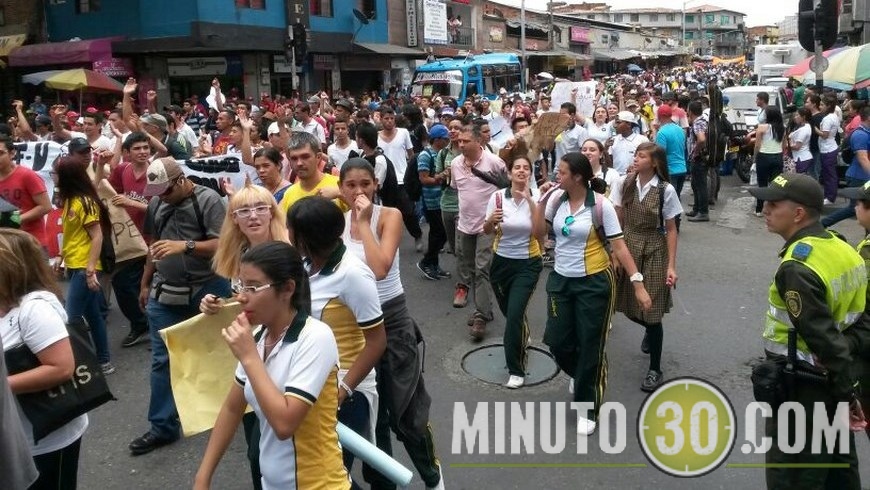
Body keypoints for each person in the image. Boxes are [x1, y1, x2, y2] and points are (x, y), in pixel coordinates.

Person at [194, 241, 351, 490]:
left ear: (287, 288)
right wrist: (203, 478)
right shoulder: (258, 337)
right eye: (240, 285)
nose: (242, 297)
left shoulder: (316, 337)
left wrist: (248, 357)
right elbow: (232, 409)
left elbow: (284, 424)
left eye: (254, 287)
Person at [747, 173, 868, 489]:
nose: (766, 209)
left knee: (794, 476)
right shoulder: (843, 248)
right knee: (839, 473)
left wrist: (848, 395)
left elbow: (823, 340)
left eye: (773, 204)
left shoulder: (798, 267)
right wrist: (846, 393)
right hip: (831, 384)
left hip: (803, 391)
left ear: (798, 213)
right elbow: (862, 323)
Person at [337, 159, 445, 490]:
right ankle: (384, 482)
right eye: (350, 185)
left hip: (391, 320)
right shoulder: (335, 222)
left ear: (376, 186)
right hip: (353, 325)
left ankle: (432, 475)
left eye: (365, 184)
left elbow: (380, 267)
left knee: (406, 412)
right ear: (341, 188)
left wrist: (365, 221)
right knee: (372, 413)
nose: (358, 192)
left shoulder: (390, 216)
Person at [534, 152, 651, 436]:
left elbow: (620, 247)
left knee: (591, 345)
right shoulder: (555, 201)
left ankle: (589, 406)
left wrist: (638, 283)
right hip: (561, 281)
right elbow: (538, 235)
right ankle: (581, 374)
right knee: (558, 341)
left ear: (577, 177)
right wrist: (539, 201)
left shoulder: (601, 206)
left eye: (561, 173)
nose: (555, 177)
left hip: (595, 283)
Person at [130, 157, 231, 456]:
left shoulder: (209, 200)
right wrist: (146, 282)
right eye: (157, 192)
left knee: (222, 351)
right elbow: (154, 245)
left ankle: (233, 410)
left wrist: (184, 245)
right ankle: (162, 426)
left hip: (208, 287)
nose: (161, 196)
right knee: (163, 359)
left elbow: (223, 244)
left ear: (181, 181)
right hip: (167, 291)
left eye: (166, 190)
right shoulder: (157, 205)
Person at [285, 196, 386, 479]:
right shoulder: (303, 266)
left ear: (304, 238)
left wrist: (343, 390)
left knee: (332, 473)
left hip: (345, 392)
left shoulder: (353, 274)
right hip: (308, 386)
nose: (286, 233)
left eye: (290, 228)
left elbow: (377, 341)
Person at [201, 184, 289, 490]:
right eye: (243, 211)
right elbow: (239, 302)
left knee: (274, 447)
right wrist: (213, 305)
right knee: (258, 451)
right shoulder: (235, 256)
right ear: (233, 219)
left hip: (286, 355)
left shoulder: (290, 251)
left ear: (272, 211)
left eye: (260, 208)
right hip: (250, 359)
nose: (253, 216)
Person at [0, 228, 87, 490]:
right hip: (17, 434)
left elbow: (61, 368)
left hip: (47, 436)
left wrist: (3, 385)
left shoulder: (35, 309)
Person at [609, 142, 682, 391]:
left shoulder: (665, 190)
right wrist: (615, 252)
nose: (636, 159)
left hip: (654, 248)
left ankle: (655, 369)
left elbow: (671, 229)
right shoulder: (624, 182)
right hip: (628, 244)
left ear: (654, 162)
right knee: (626, 305)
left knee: (651, 311)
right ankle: (650, 331)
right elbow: (617, 216)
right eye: (635, 155)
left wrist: (672, 266)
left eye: (642, 156)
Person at [482, 154, 542, 388]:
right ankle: (520, 333)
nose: (521, 171)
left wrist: (530, 202)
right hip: (500, 263)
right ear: (509, 173)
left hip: (528, 264)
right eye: (516, 167)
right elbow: (486, 231)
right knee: (510, 313)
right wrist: (489, 221)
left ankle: (516, 369)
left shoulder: (537, 197)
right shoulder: (497, 197)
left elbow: (540, 234)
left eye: (526, 168)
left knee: (514, 315)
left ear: (530, 173)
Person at [53, 156, 114, 374]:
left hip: (84, 268)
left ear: (67, 177)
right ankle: (103, 361)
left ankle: (78, 365)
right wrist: (61, 256)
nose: (54, 178)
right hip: (74, 264)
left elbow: (96, 236)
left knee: (71, 318)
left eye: (56, 174)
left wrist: (89, 271)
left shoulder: (84, 202)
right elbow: (71, 235)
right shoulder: (71, 199)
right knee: (93, 316)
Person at [451, 124, 506, 340]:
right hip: (465, 225)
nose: (461, 144)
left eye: (466, 141)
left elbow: (507, 189)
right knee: (470, 268)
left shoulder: (494, 162)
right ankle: (485, 308)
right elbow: (458, 191)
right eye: (459, 141)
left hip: (488, 225)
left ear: (478, 141)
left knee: (482, 267)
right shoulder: (456, 164)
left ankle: (481, 316)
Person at [378, 106, 424, 252]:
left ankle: (417, 235)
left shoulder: (403, 133)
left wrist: (413, 175)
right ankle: (389, 241)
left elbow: (411, 154)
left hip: (402, 179)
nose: (390, 121)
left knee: (408, 212)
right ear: (381, 119)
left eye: (392, 118)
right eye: (386, 118)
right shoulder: (376, 136)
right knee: (387, 212)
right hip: (385, 181)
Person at [0, 136, 51, 249]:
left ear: (12, 153)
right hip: (5, 246)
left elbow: (46, 206)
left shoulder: (27, 175)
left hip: (31, 243)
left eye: (1, 153)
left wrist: (15, 219)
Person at [824, 106, 870, 228]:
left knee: (864, 209)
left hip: (862, 176)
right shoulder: (861, 135)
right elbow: (863, 158)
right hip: (859, 177)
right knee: (855, 208)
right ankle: (822, 224)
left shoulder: (866, 132)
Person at [417, 124, 451, 280]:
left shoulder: (443, 153)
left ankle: (434, 264)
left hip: (442, 199)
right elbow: (424, 179)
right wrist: (440, 177)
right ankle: (427, 262)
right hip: (431, 201)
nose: (448, 141)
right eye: (445, 139)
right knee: (439, 233)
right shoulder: (425, 155)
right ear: (437, 139)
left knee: (441, 233)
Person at [435, 117, 463, 255]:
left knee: (461, 247)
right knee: (453, 247)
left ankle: (468, 275)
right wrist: (444, 174)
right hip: (447, 203)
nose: (453, 131)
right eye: (450, 128)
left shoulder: (468, 151)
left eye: (457, 128)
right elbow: (436, 177)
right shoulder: (443, 153)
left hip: (465, 204)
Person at [753, 107, 786, 217]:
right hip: (778, 156)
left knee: (762, 183)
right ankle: (774, 208)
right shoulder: (783, 128)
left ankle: (759, 209)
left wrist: (754, 159)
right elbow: (784, 145)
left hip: (764, 156)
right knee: (775, 184)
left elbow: (757, 145)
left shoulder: (762, 127)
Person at [815, 94, 841, 204]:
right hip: (829, 147)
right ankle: (829, 195)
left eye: (822, 105)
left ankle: (830, 197)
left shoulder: (827, 119)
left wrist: (815, 129)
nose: (820, 107)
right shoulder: (833, 116)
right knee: (828, 173)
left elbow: (824, 134)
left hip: (828, 149)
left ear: (828, 106)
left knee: (829, 174)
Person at [789, 107, 814, 175]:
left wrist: (787, 145)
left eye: (797, 115)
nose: (795, 117)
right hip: (801, 157)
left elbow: (797, 147)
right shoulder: (804, 127)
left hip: (801, 158)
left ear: (803, 117)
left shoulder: (804, 129)